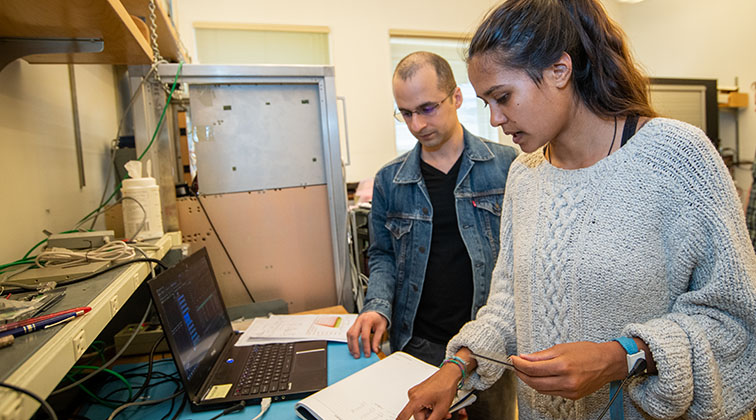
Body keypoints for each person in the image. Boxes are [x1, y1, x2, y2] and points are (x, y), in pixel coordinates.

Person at [397, 1, 756, 420]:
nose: (495, 119)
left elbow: (736, 323)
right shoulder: (525, 175)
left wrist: (620, 358)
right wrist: (457, 367)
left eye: (503, 97)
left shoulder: (677, 159)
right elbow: (508, 304)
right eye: (486, 102)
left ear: (559, 71)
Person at [346, 51, 518, 418]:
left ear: (456, 97)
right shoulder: (390, 181)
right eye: (405, 113)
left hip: (489, 349)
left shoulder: (508, 167)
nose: (417, 124)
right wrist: (377, 307)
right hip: (418, 347)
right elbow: (382, 256)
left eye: (426, 108)